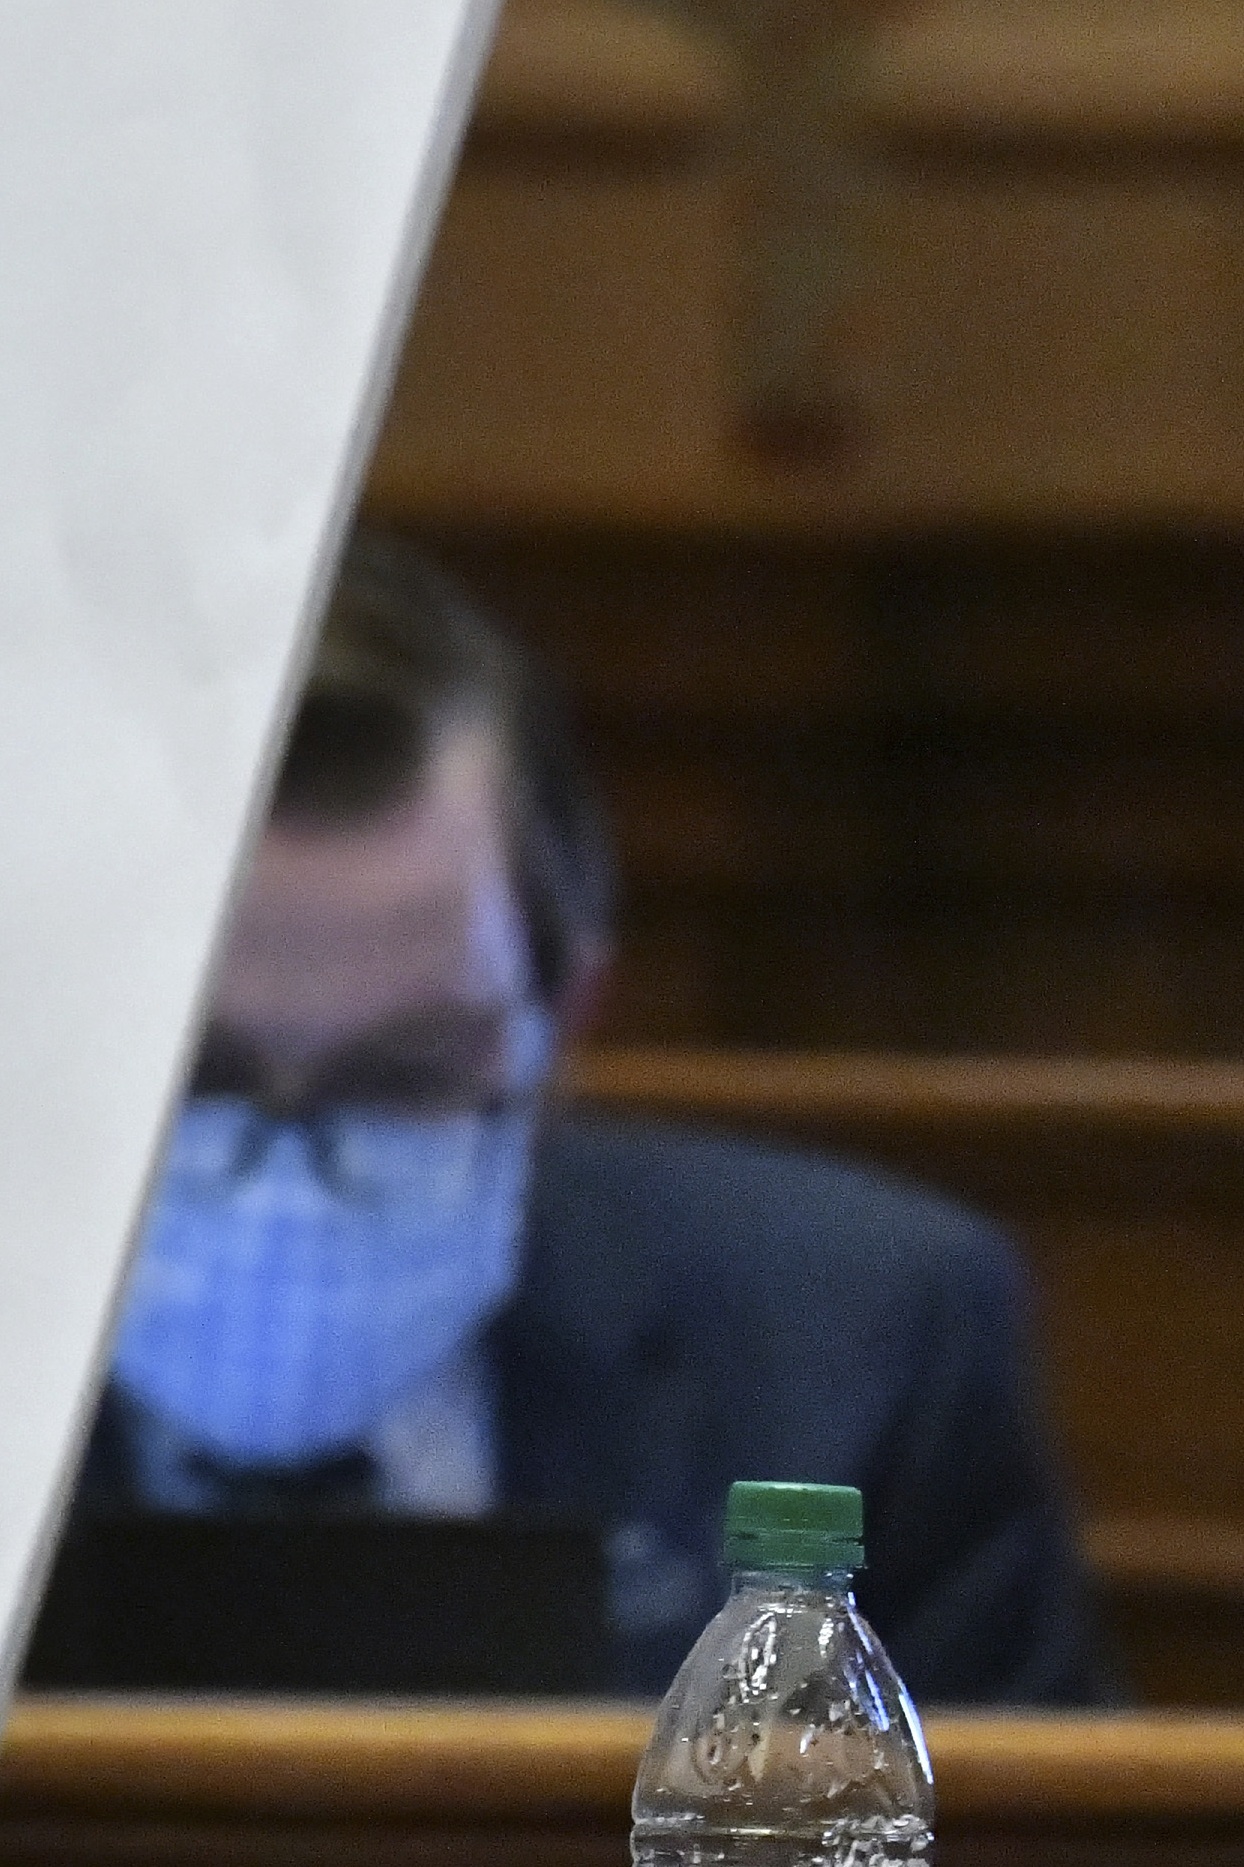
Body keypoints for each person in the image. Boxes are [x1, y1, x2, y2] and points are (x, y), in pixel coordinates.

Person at [79, 531, 1118, 1705]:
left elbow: (996, 1823)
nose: (285, 1178)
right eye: (192, 1076)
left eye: (403, 1074)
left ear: (566, 1018)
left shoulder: (860, 1360)